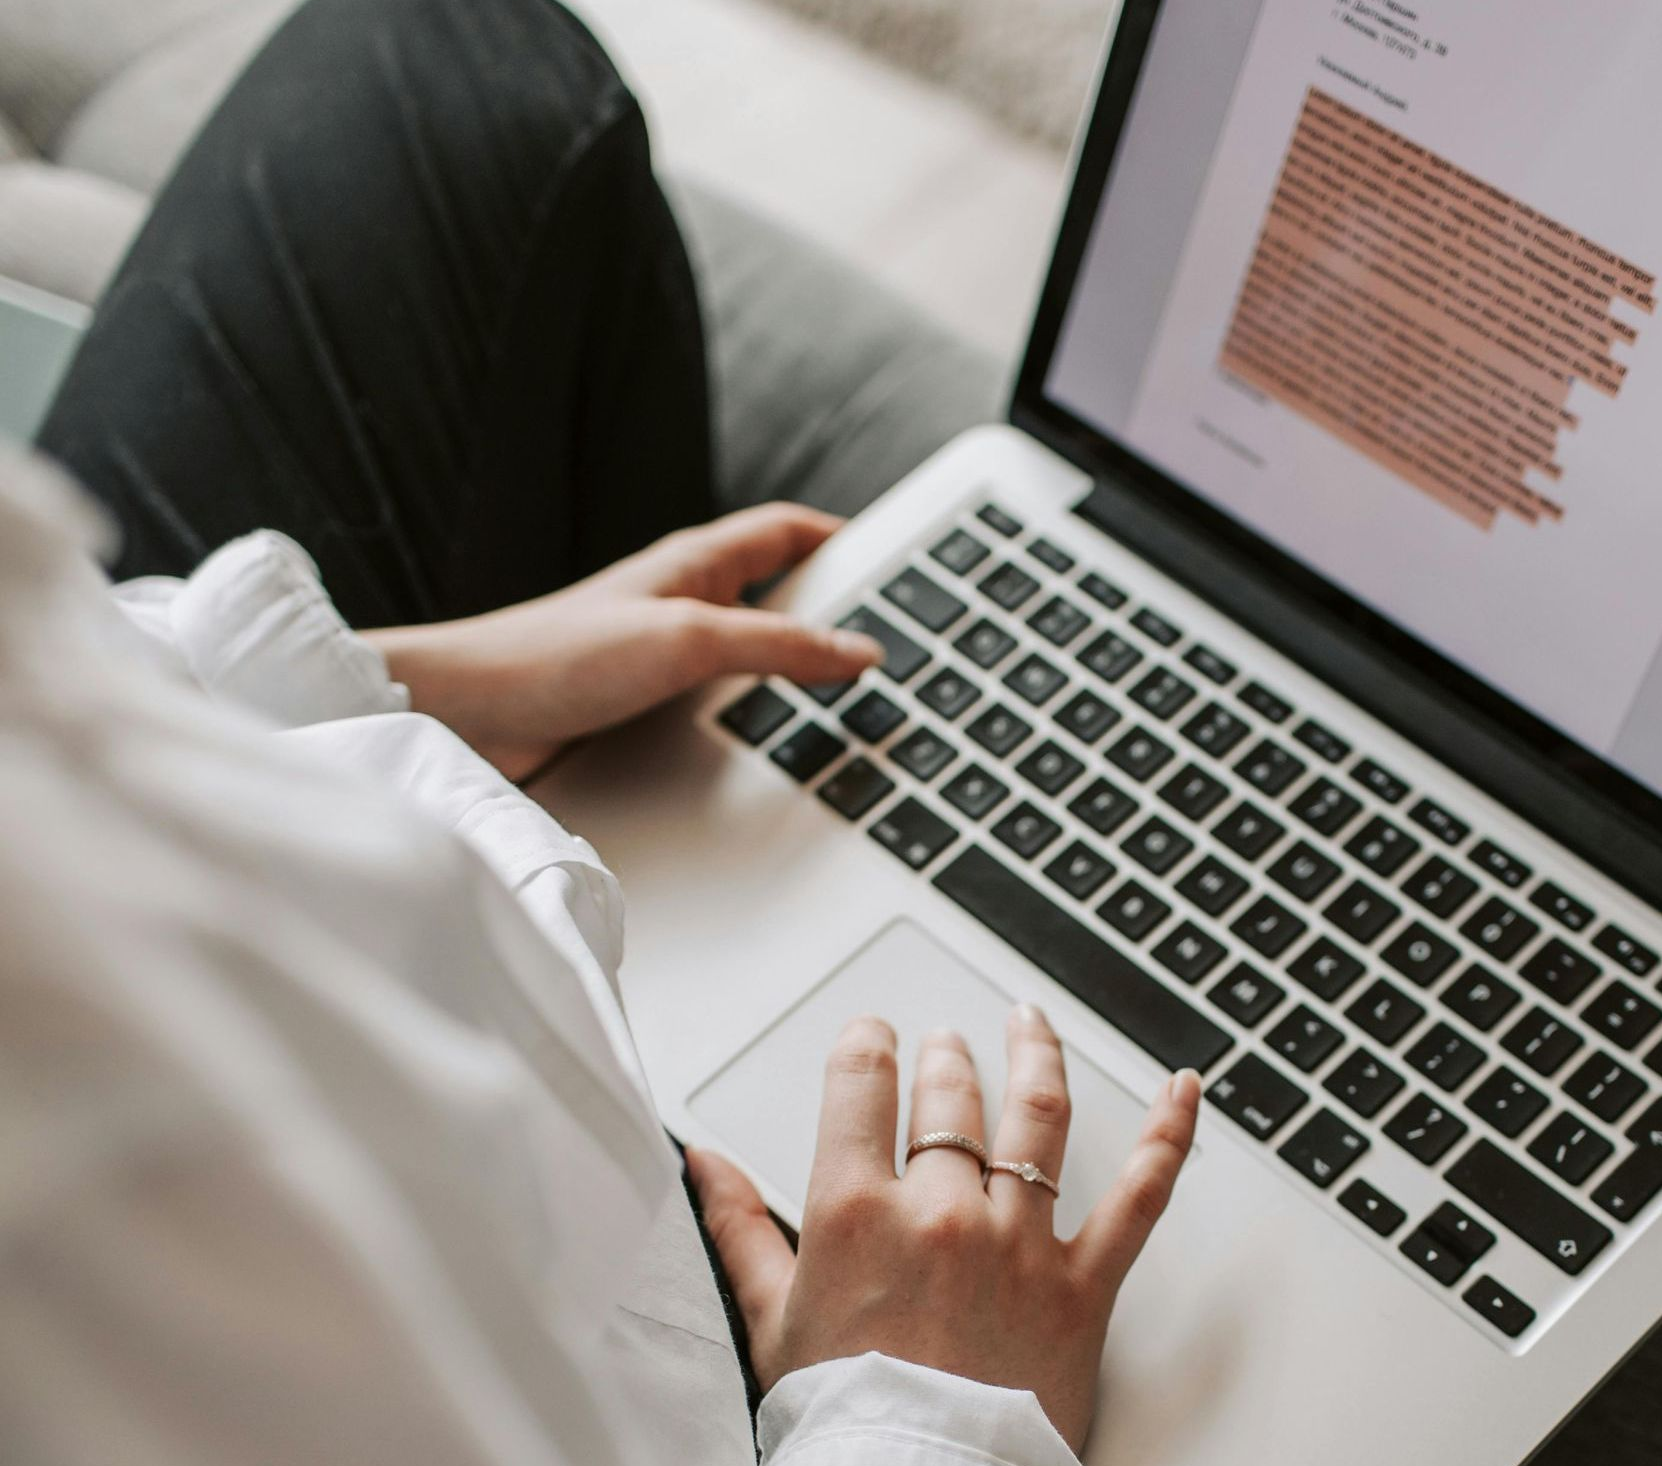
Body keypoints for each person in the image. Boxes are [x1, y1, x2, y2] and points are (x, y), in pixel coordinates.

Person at [2, 0, 1205, 1462]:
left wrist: (408, 684)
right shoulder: (97, 1207)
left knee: (450, 53)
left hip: (207, 771)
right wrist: (920, 1405)